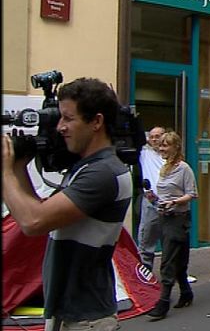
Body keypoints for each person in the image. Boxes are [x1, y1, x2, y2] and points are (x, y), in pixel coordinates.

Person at [2, 77, 131, 331]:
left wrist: (4, 171)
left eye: (68, 119)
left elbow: (33, 222)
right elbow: (40, 212)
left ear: (96, 122)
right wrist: (19, 166)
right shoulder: (85, 167)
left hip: (87, 319)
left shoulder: (103, 173)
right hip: (70, 313)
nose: (60, 127)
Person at [147, 132, 198, 321]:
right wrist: (154, 198)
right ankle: (186, 292)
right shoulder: (164, 168)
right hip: (164, 217)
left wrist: (174, 202)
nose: (162, 149)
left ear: (176, 147)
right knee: (179, 259)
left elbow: (192, 194)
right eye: (160, 146)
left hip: (178, 218)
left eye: (166, 145)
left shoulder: (184, 168)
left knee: (168, 260)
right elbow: (164, 194)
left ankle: (163, 302)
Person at [137, 126, 166, 271]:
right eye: (152, 136)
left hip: (169, 203)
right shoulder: (144, 153)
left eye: (158, 136)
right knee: (146, 240)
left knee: (170, 241)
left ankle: (173, 275)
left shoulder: (171, 156)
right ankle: (145, 276)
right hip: (151, 201)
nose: (154, 139)